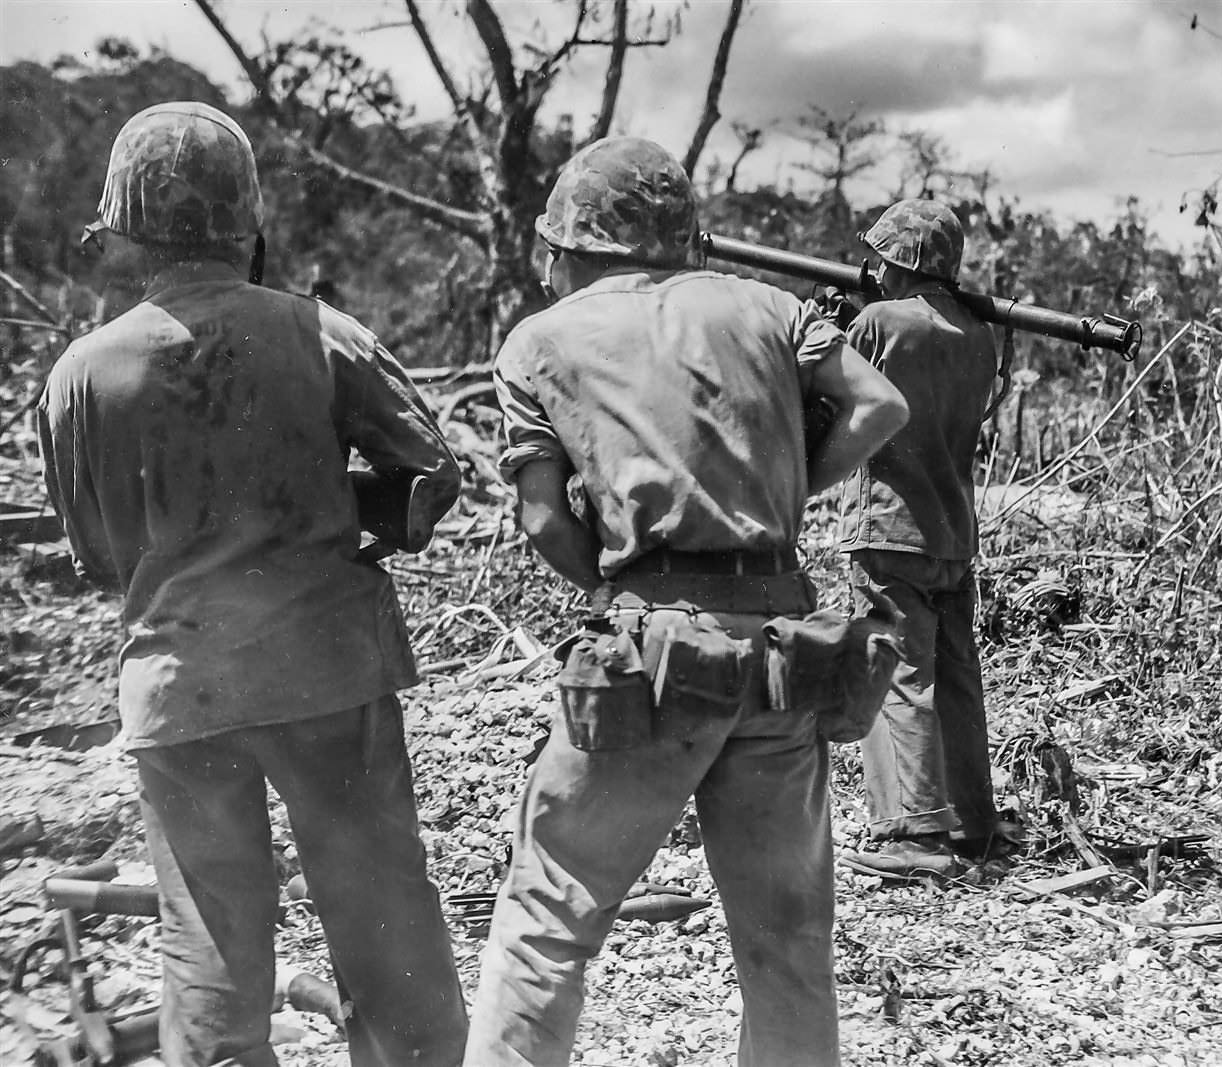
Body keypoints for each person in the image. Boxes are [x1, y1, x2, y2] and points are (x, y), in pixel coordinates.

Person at [465, 135, 908, 1067]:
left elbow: (543, 517)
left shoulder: (541, 340)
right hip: (785, 656)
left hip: (649, 657)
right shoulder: (772, 307)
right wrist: (780, 499)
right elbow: (878, 408)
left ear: (577, 245)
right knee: (787, 944)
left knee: (549, 914)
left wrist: (616, 584)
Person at [40, 101, 467, 1066]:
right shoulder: (325, 333)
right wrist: (337, 509)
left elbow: (101, 555)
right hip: (327, 668)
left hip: (180, 685)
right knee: (386, 922)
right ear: (250, 224)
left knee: (209, 943)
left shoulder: (79, 375)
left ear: (126, 233)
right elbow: (430, 478)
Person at [834, 200, 1004, 879]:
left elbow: (835, 402)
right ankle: (971, 822)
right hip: (951, 531)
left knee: (895, 670)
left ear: (898, 261)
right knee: (958, 676)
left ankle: (912, 830)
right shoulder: (980, 335)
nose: (871, 267)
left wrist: (830, 330)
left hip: (889, 523)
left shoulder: (880, 322)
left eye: (881, 256)